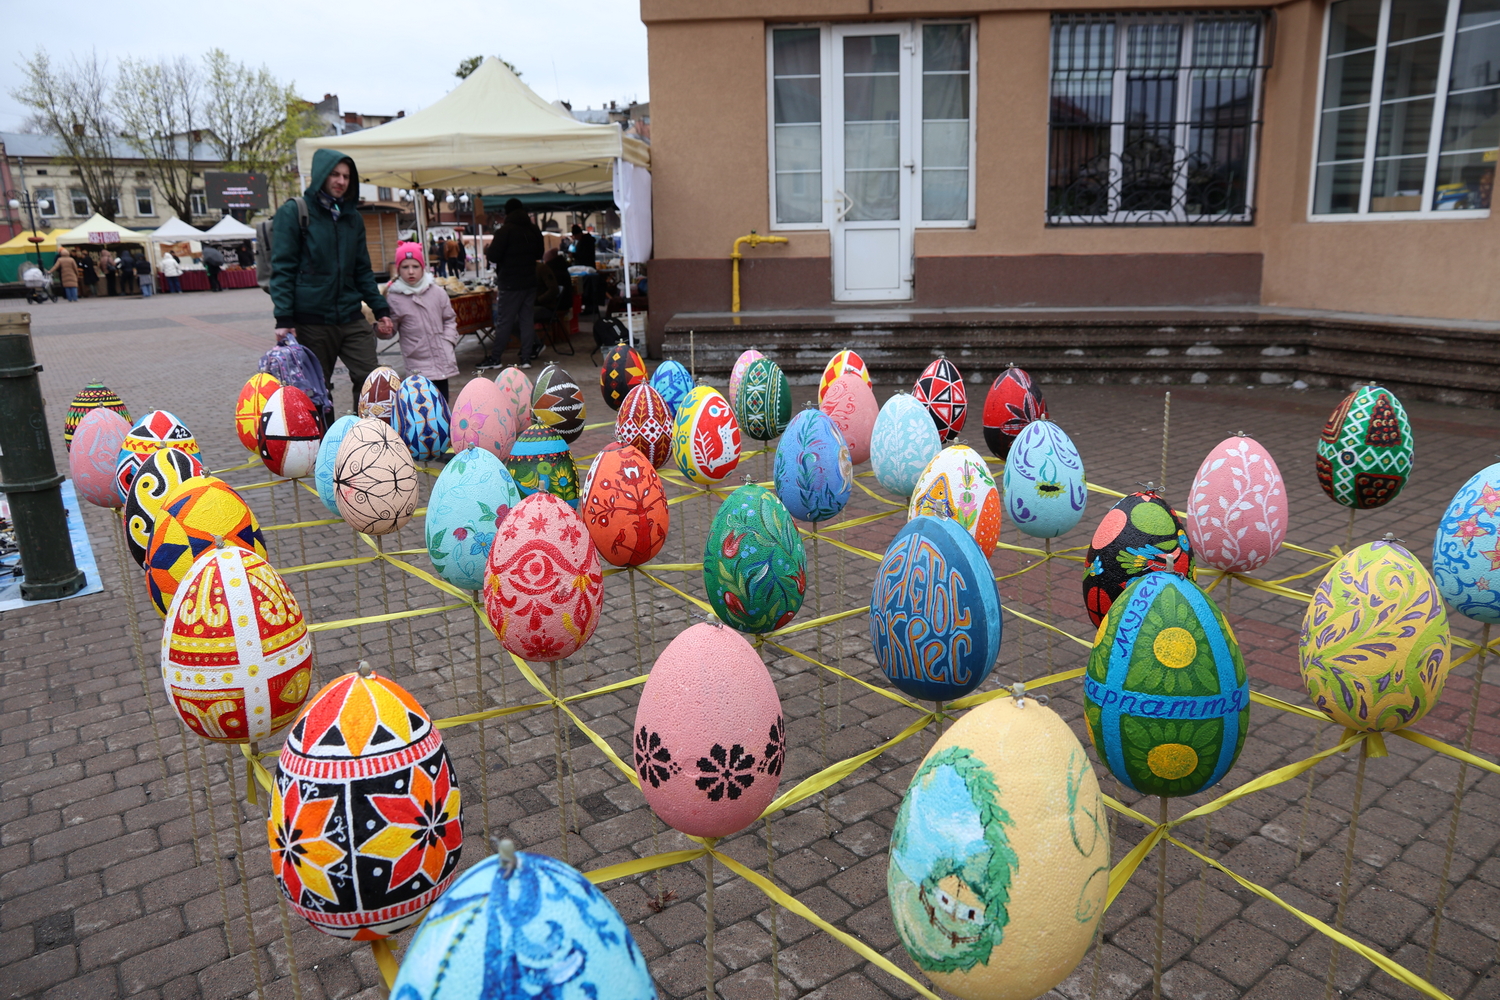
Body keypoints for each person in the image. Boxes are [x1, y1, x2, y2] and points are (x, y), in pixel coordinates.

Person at [269, 148, 393, 410]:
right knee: (316, 390)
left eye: (346, 176)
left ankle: (367, 438)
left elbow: (362, 270)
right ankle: (323, 446)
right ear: (321, 175)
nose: (341, 181)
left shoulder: (352, 218)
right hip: (311, 320)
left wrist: (381, 309)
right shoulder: (294, 212)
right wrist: (284, 318)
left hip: (350, 315)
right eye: (335, 174)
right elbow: (283, 268)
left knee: (372, 379)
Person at [381, 242, 459, 401]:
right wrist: (383, 329)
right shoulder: (394, 297)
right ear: (398, 269)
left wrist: (448, 340)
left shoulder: (437, 292)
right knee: (422, 406)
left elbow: (449, 319)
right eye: (405, 267)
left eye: (415, 266)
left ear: (423, 267)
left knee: (442, 403)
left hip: (441, 356)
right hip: (417, 359)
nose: (410, 271)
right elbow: (391, 329)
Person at [480, 198, 544, 370]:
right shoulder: (534, 229)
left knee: (505, 321)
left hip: (510, 283)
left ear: (507, 212)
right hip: (530, 281)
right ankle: (526, 359)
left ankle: (496, 358)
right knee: (526, 320)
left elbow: (493, 256)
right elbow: (540, 253)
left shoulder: (505, 231)